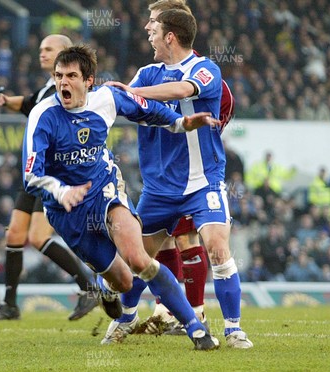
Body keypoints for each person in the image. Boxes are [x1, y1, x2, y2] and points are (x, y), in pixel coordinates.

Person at [23, 44, 220, 350]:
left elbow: (147, 109)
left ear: (89, 80)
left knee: (139, 258)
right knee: (123, 282)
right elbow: (30, 176)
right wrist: (62, 191)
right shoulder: (43, 115)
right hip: (66, 212)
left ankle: (196, 329)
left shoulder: (106, 98)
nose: (63, 82)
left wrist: (180, 124)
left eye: (72, 76)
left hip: (104, 190)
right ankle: (111, 296)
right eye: (59, 76)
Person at [105, 8, 253, 348]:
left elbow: (181, 90)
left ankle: (233, 329)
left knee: (217, 247)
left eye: (153, 29)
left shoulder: (205, 70)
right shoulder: (146, 72)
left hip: (204, 182)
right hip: (158, 189)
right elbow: (123, 104)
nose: (148, 33)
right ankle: (127, 318)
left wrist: (133, 92)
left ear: (170, 36)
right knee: (135, 258)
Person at [0, 34, 98, 321]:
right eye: (40, 49)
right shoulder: (50, 88)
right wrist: (5, 100)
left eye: (49, 49)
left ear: (65, 53)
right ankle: (9, 304)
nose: (42, 54)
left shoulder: (65, 91)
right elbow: (28, 103)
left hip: (52, 175)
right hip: (33, 175)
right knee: (14, 234)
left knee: (37, 237)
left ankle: (89, 288)